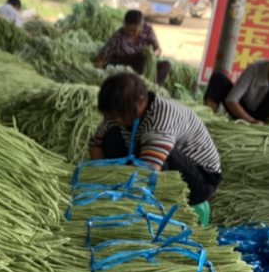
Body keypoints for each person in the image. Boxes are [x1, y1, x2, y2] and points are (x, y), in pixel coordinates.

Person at [88, 71, 222, 206]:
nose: (116, 119)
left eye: (120, 115)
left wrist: (110, 182)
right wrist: (101, 173)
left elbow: (150, 168)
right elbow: (95, 144)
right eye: (113, 114)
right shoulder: (121, 110)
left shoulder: (162, 116)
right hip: (153, 161)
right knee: (111, 136)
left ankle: (148, 204)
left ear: (140, 102)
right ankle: (127, 189)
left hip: (202, 179)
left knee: (157, 153)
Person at [203, 45, 269, 129]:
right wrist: (251, 121)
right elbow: (231, 99)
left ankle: (266, 128)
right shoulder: (255, 68)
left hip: (264, 121)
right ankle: (208, 120)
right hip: (241, 110)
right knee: (218, 78)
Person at [96, 9, 171, 86]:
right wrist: (101, 74)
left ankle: (150, 86)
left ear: (141, 26)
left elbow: (158, 49)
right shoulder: (118, 36)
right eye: (128, 30)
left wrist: (152, 55)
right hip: (123, 65)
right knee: (141, 57)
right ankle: (134, 85)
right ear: (124, 25)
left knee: (166, 65)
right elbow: (101, 56)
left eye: (134, 31)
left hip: (143, 65)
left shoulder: (147, 29)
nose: (130, 33)